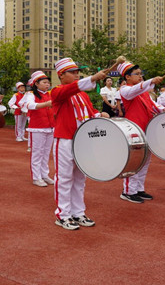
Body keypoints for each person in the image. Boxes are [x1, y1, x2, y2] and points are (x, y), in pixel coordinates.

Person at [51, 57, 108, 230]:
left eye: (78, 72)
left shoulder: (82, 95)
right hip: (65, 140)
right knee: (64, 178)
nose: (77, 75)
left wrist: (99, 115)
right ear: (61, 75)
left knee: (80, 179)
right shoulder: (57, 92)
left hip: (82, 141)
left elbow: (90, 113)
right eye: (73, 72)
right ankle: (63, 215)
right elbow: (72, 89)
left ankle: (78, 212)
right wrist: (92, 78)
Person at [117, 61, 165, 203]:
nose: (140, 76)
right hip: (134, 130)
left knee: (145, 161)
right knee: (134, 161)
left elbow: (153, 105)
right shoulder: (125, 90)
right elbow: (133, 91)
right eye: (136, 74)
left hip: (146, 128)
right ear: (127, 77)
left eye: (141, 74)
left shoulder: (142, 92)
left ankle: (139, 188)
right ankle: (128, 191)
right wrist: (151, 81)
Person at [23, 71, 55, 187]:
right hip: (37, 127)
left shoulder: (50, 94)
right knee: (37, 153)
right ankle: (36, 177)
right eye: (44, 82)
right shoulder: (31, 94)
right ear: (36, 83)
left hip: (50, 127)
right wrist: (46, 104)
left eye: (48, 83)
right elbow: (30, 105)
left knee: (46, 153)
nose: (47, 84)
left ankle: (44, 175)